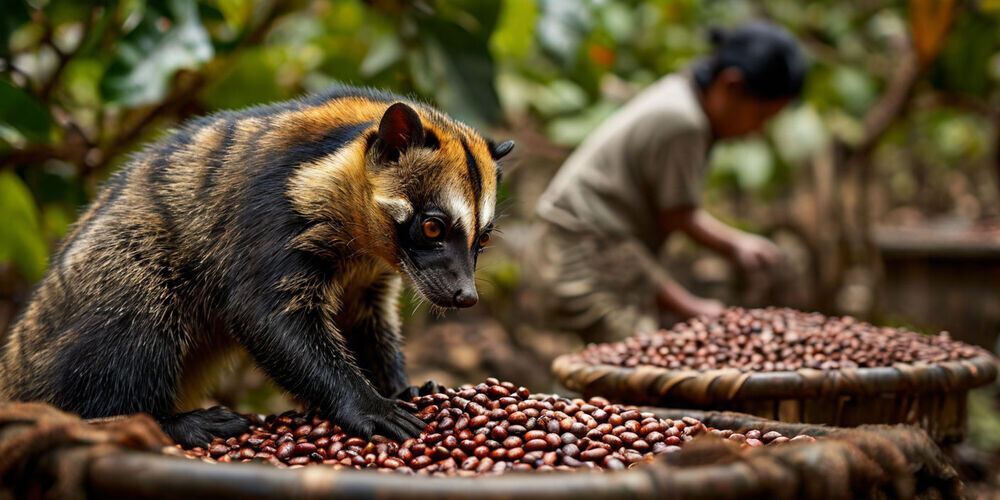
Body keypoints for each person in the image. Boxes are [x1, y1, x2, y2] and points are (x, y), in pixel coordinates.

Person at [523, 21, 808, 342]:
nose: (758, 130)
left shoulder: (681, 95)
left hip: (591, 243)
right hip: (578, 248)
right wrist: (733, 249)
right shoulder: (684, 122)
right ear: (731, 86)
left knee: (605, 365)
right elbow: (675, 215)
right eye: (762, 116)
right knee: (628, 364)